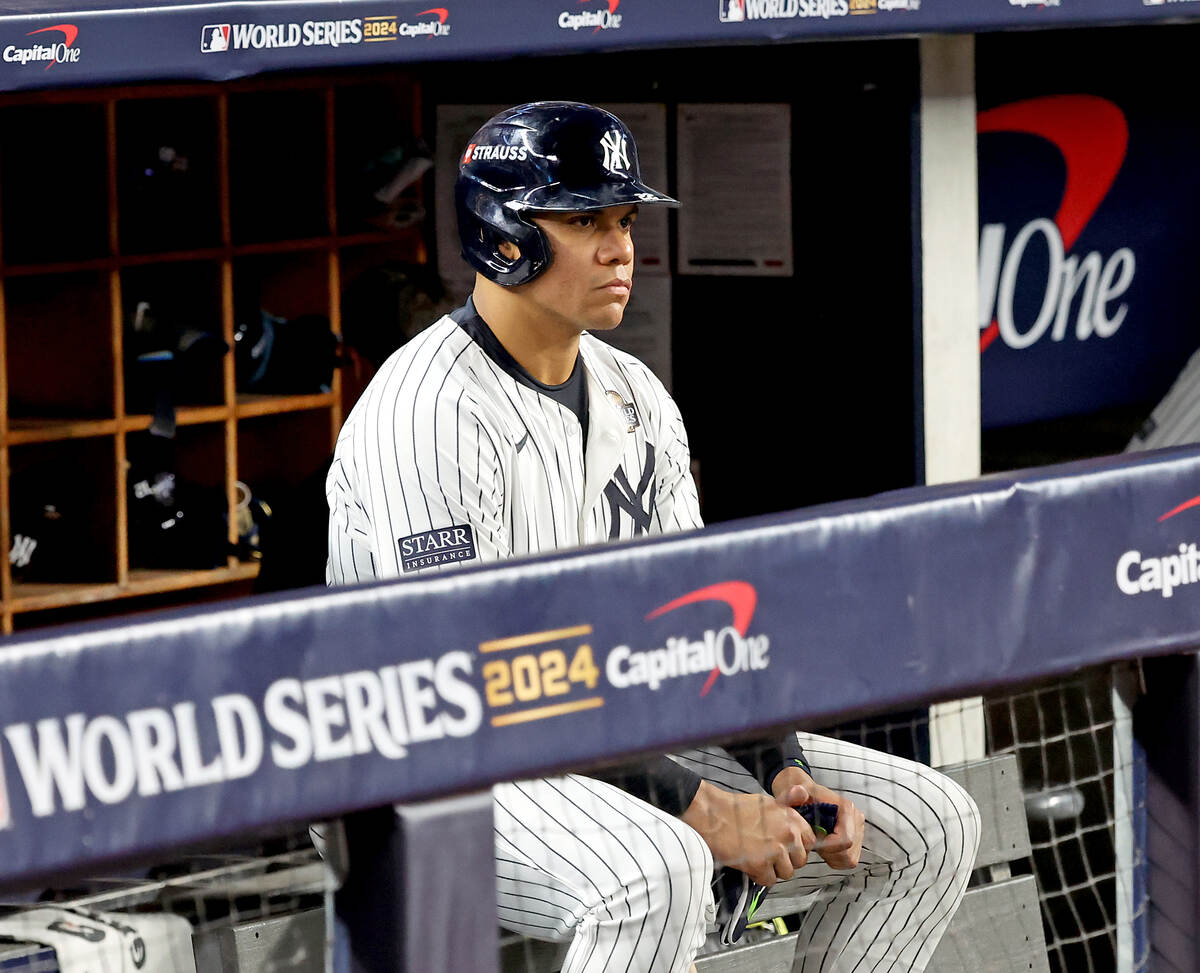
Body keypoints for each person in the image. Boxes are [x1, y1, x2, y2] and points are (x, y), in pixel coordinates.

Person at [326, 102, 980, 973]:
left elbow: (694, 622)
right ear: (504, 233)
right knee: (657, 871)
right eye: (585, 221)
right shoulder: (427, 409)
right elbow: (477, 673)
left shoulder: (636, 394)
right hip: (425, 762)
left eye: (625, 219)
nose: (619, 247)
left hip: (605, 727)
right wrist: (699, 804)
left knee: (934, 822)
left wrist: (777, 768)